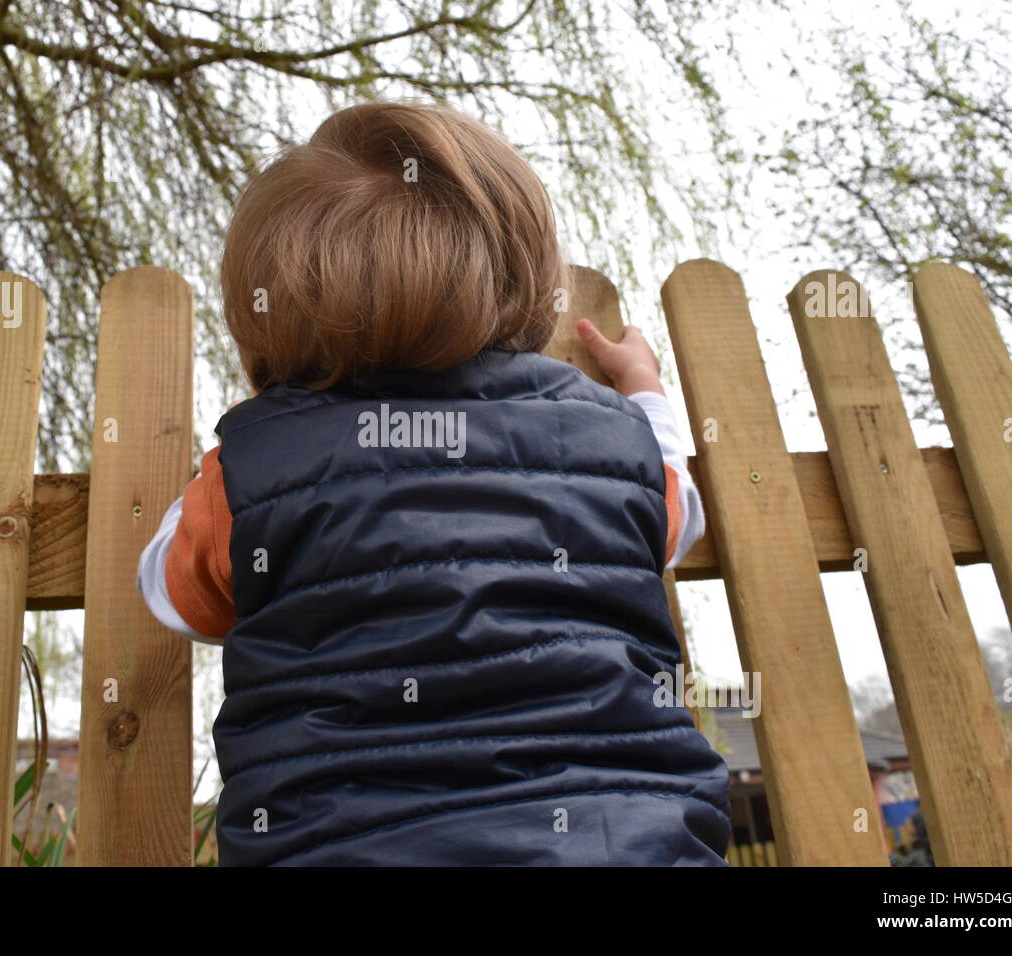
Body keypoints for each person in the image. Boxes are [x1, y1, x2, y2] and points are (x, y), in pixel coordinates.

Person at [137, 99, 731, 865]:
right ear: (520, 272)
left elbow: (170, 591)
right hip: (626, 845)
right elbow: (677, 513)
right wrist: (645, 394)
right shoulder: (612, 441)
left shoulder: (254, 470)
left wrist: (242, 456)